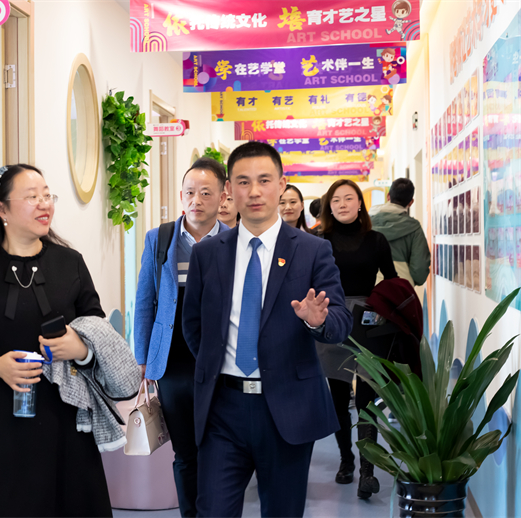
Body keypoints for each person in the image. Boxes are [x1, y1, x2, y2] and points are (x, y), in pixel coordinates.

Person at [182, 142, 352, 517]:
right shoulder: (207, 253)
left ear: (281, 184)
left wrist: (317, 321)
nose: (254, 191)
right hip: (222, 408)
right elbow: (193, 326)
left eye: (264, 180)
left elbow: (340, 323)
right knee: (213, 510)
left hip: (287, 407)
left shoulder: (312, 250)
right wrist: (214, 366)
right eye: (244, 182)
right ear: (230, 190)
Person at [0, 164, 112, 517]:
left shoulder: (70, 262)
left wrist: (80, 349)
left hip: (67, 416)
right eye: (32, 197)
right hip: (1, 420)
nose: (44, 204)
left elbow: (97, 328)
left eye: (47, 195)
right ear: (1, 208)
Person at [134, 157, 229, 517]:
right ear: (180, 196)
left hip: (221, 363)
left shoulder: (235, 242)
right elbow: (145, 301)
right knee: (185, 453)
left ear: (223, 196)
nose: (196, 200)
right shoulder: (159, 239)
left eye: (205, 192)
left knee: (219, 450)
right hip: (172, 364)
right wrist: (143, 359)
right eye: (190, 192)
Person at [317, 179, 398, 499]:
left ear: (360, 203)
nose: (342, 204)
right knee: (338, 397)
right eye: (336, 200)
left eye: (348, 198)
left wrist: (382, 308)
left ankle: (367, 470)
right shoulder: (320, 240)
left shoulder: (376, 240)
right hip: (332, 320)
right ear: (329, 206)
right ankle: (346, 459)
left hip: (367, 323)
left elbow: (392, 281)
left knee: (366, 398)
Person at [369, 178, 431, 286]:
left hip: (370, 286)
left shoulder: (366, 224)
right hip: (402, 288)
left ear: (388, 196)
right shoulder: (414, 228)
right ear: (411, 202)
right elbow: (419, 268)